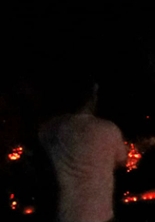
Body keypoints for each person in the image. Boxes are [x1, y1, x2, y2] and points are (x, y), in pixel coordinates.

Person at [38, 73, 127, 222]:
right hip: (101, 215)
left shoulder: (53, 128)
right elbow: (122, 161)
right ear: (93, 97)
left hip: (67, 215)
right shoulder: (108, 129)